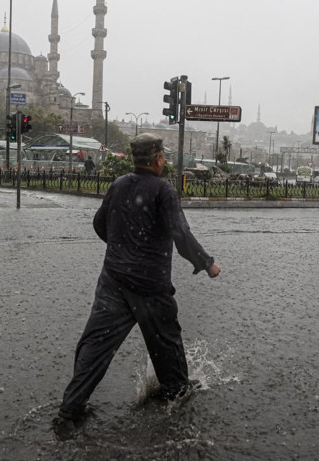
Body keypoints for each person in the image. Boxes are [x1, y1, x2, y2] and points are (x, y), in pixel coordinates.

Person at [54, 133, 221, 435]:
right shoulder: (163, 191)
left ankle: (70, 409)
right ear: (158, 159)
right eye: (163, 157)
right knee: (165, 340)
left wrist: (122, 248)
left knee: (96, 344)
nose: (165, 161)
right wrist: (207, 263)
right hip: (150, 284)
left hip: (114, 279)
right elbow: (180, 236)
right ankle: (175, 390)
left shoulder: (119, 185)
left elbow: (99, 224)